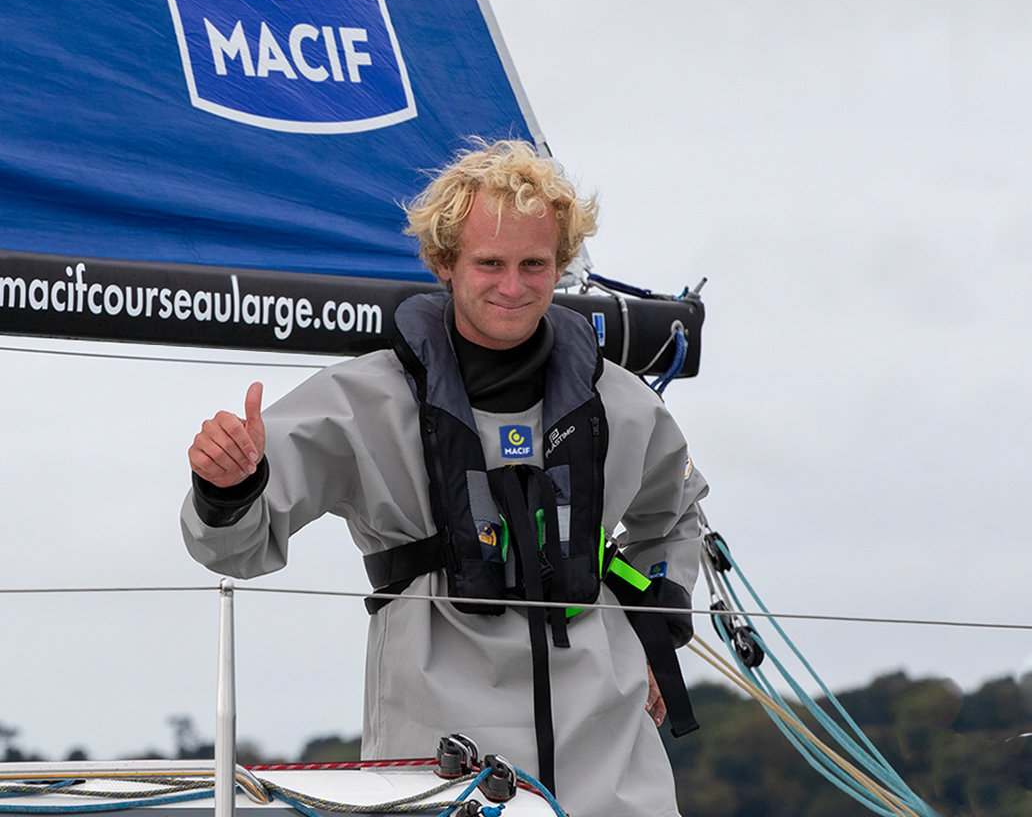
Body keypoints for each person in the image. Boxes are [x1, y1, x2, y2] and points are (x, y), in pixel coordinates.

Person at [182, 139, 708, 817]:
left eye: (534, 264)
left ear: (560, 265)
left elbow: (674, 516)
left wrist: (655, 629)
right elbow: (234, 548)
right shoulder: (359, 401)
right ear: (444, 263)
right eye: (490, 263)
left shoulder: (623, 403)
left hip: (613, 773)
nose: (513, 287)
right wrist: (226, 486)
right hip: (439, 772)